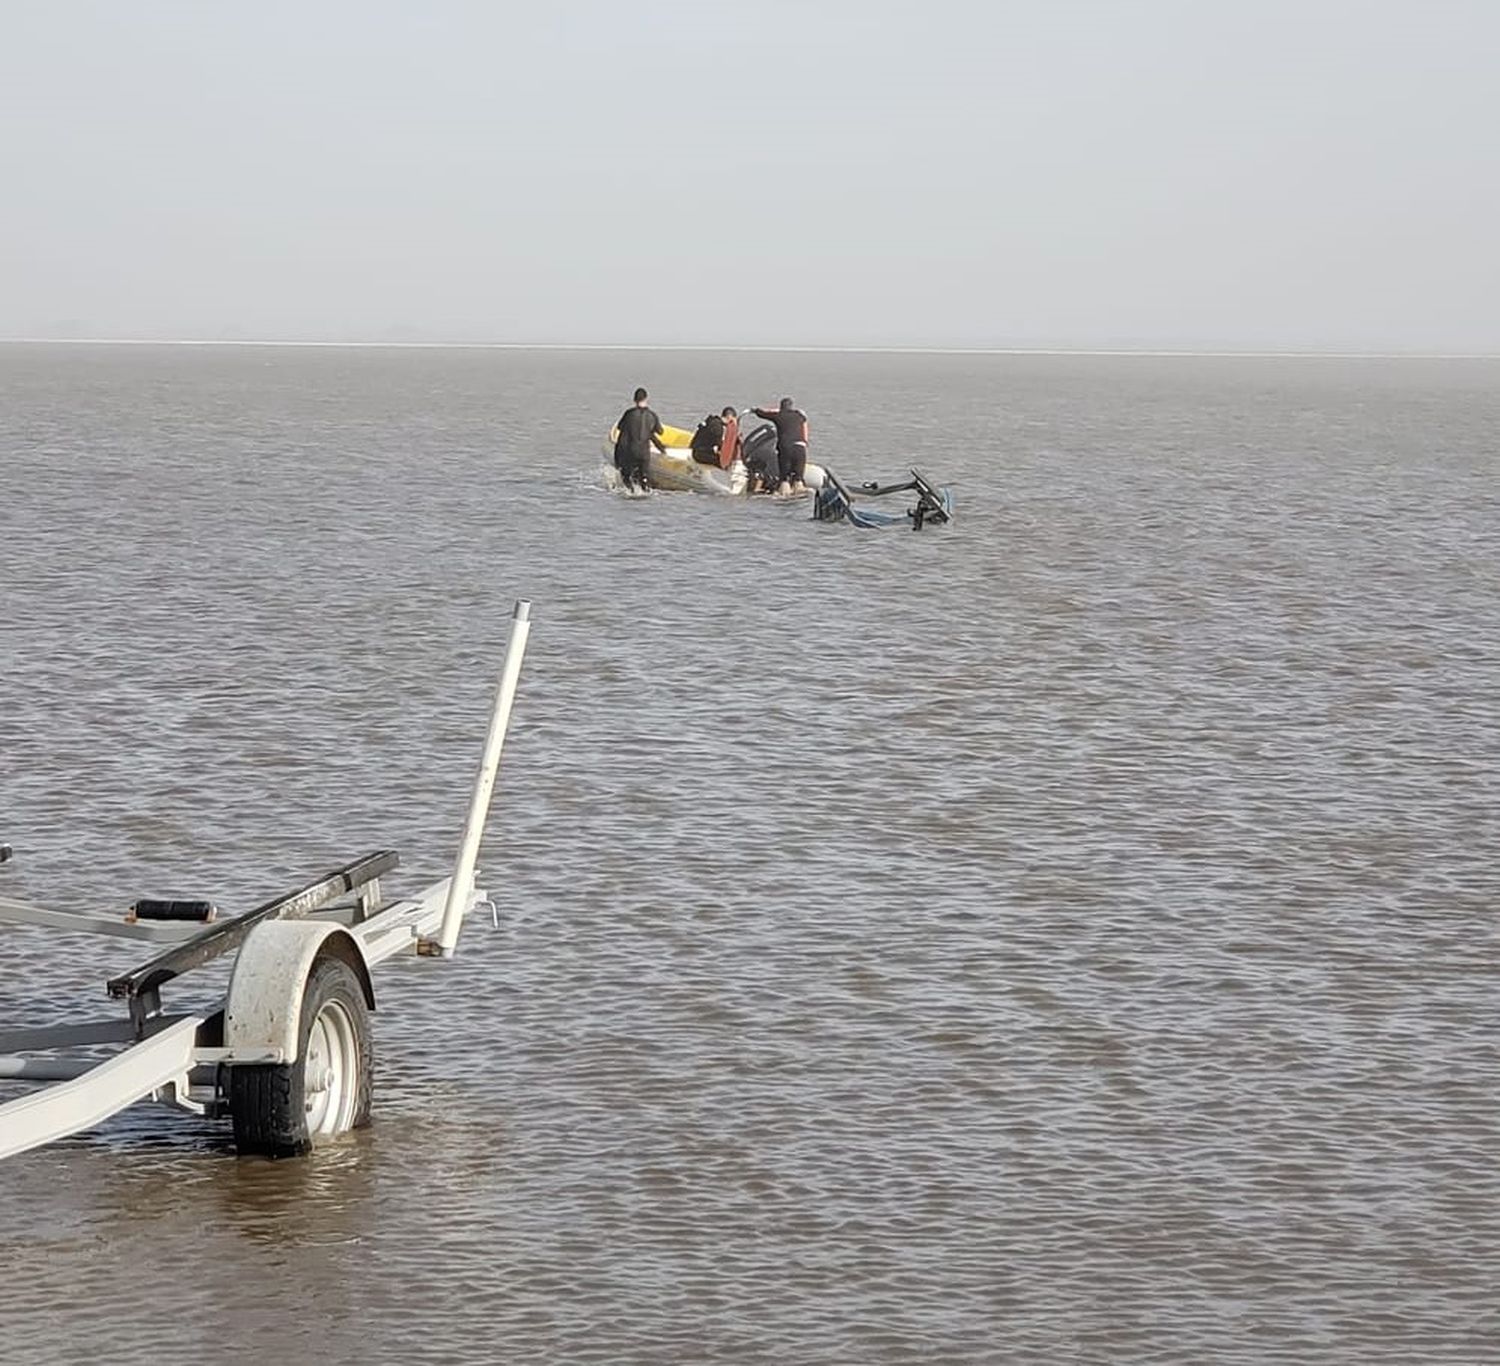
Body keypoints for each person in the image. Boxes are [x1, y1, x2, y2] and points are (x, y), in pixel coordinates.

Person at [614, 387, 666, 491]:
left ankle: (630, 492)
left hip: (631, 452)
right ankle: (645, 495)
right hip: (644, 454)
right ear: (646, 399)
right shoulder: (652, 415)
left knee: (627, 478)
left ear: (634, 400)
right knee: (644, 479)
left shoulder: (629, 414)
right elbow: (660, 431)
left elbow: (620, 427)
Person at [752, 397, 810, 489]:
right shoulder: (799, 416)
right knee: (799, 479)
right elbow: (804, 420)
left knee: (784, 479)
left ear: (781, 407)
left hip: (786, 448)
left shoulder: (778, 415)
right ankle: (799, 496)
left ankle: (783, 496)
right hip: (800, 447)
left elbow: (763, 414)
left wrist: (755, 410)